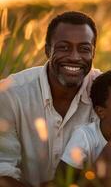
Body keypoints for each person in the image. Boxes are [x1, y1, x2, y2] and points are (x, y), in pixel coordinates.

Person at [0, 11, 101, 187]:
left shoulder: (108, 92)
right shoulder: (10, 93)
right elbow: (3, 169)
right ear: (47, 50)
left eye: (84, 49)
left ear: (93, 53)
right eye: (64, 47)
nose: (74, 57)